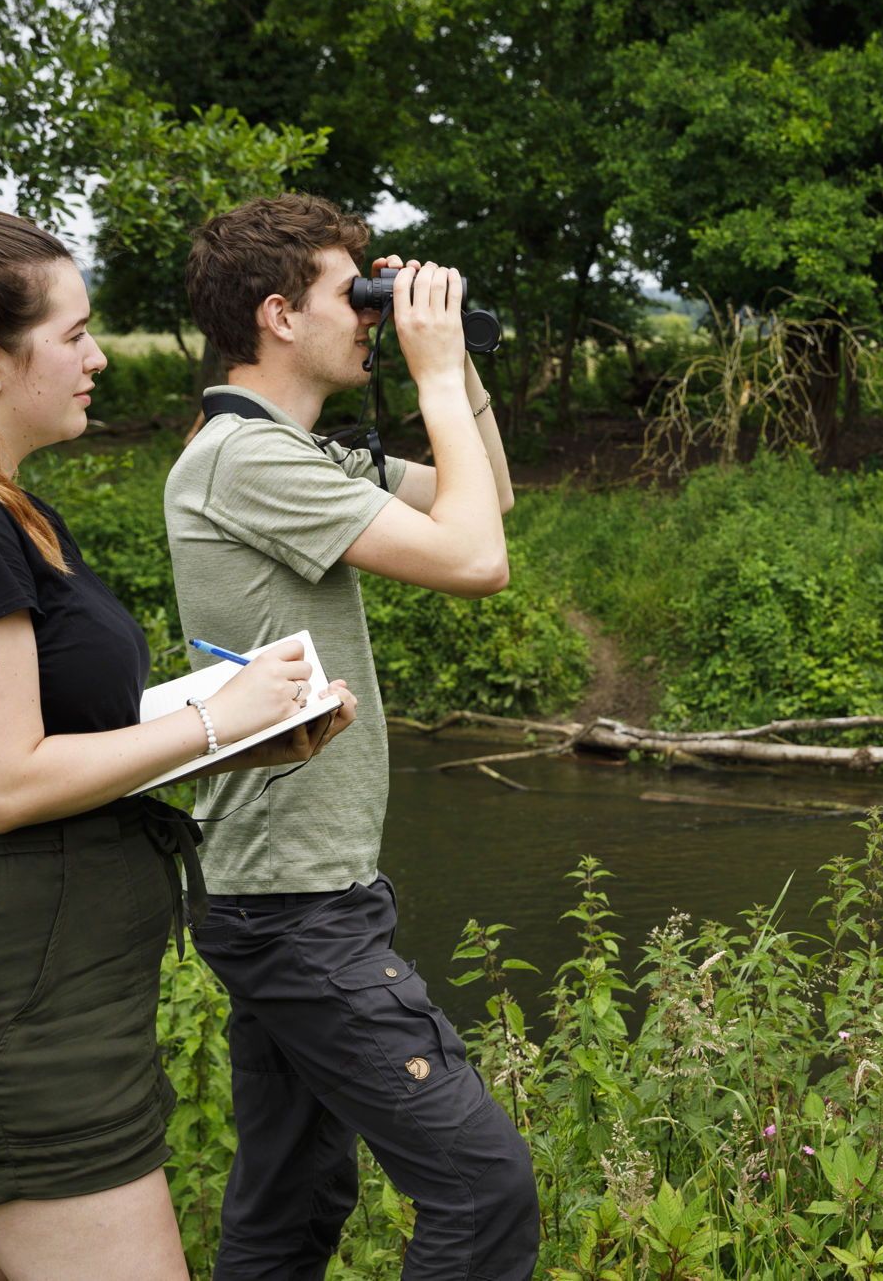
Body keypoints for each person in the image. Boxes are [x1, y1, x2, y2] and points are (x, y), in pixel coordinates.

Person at [0, 209, 357, 1281]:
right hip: (3, 995)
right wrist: (215, 716)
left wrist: (234, 741)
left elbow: (42, 740)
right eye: (74, 334)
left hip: (35, 979)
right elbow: (5, 782)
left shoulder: (1, 511)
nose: (99, 358)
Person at [164, 192, 538, 1280]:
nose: (373, 317)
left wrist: (454, 363)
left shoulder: (293, 451)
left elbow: (488, 502)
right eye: (354, 296)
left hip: (294, 893)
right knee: (482, 1188)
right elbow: (477, 565)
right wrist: (422, 374)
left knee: (293, 1207)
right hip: (294, 908)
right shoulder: (247, 460)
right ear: (279, 314)